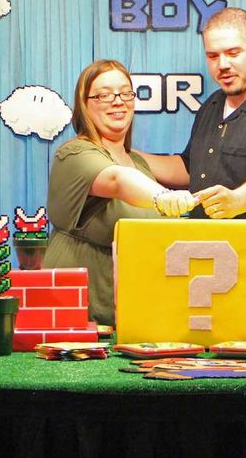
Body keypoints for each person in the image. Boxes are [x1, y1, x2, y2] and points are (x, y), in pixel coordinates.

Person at [139, 8, 246, 312]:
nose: (223, 65)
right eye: (213, 56)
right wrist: (122, 154)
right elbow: (188, 169)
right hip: (206, 276)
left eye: (233, 52)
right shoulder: (211, 106)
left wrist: (237, 200)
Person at [45, 59, 197, 326]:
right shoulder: (74, 154)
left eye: (126, 93)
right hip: (82, 321)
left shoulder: (138, 164)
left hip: (133, 320)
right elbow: (117, 180)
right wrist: (164, 198)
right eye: (104, 95)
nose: (118, 101)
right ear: (84, 104)